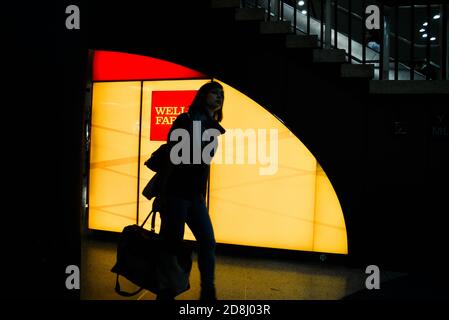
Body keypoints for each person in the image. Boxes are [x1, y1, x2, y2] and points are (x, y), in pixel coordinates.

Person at [156, 81, 226, 300]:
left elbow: (203, 166)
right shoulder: (185, 121)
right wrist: (162, 193)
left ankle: (208, 290)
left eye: (222, 94)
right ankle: (166, 291)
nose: (219, 97)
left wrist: (201, 195)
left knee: (207, 241)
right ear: (202, 96)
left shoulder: (212, 127)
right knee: (172, 244)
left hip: (194, 197)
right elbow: (171, 158)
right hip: (176, 193)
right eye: (214, 93)